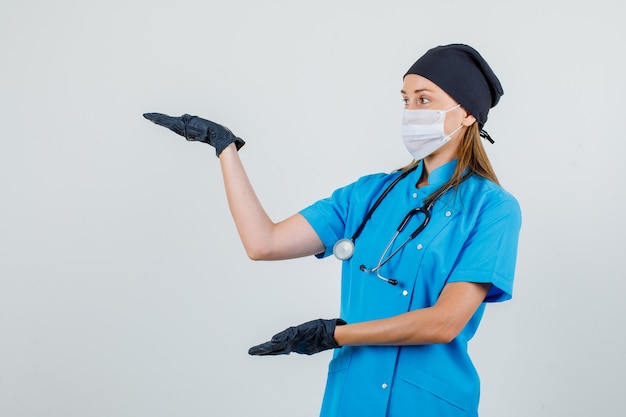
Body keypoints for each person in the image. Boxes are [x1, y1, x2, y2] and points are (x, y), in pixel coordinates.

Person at [144, 43, 522, 417]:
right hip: (352, 399)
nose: (410, 111)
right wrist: (225, 149)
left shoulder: (492, 209)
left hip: (426, 404)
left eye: (424, 100)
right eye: (405, 100)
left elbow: (444, 322)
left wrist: (334, 335)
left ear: (468, 113)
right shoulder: (368, 194)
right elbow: (264, 242)